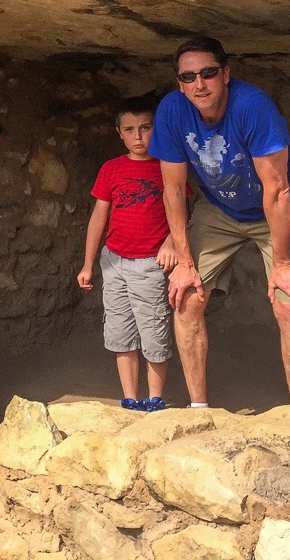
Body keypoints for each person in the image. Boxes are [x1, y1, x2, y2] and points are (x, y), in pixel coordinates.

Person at [149, 36, 290, 407]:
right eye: (188, 76)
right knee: (186, 297)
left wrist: (285, 263)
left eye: (208, 73)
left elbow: (277, 191)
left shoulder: (252, 106)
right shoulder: (172, 110)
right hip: (219, 209)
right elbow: (173, 189)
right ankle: (198, 408)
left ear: (226, 74)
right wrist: (184, 259)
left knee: (289, 303)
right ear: (179, 82)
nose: (199, 84)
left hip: (270, 210)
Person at [77, 96, 178, 411]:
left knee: (153, 326)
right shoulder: (112, 169)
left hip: (150, 262)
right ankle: (130, 398)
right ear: (119, 132)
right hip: (115, 260)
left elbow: (184, 209)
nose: (138, 137)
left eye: (145, 128)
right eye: (130, 129)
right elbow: (99, 216)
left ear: (156, 129)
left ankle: (155, 397)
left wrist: (172, 242)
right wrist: (88, 263)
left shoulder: (169, 165)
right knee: (120, 328)